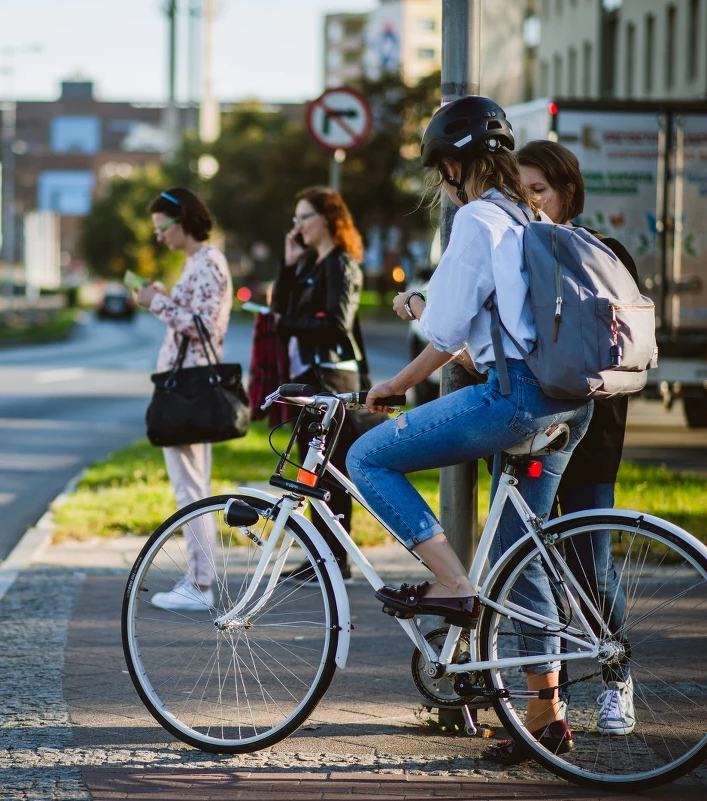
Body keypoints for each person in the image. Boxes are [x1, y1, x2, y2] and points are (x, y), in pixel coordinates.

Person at [344, 96, 593, 759]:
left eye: (439, 171)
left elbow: (444, 328)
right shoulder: (525, 214)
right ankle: (545, 712)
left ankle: (454, 583)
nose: (440, 184)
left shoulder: (478, 217)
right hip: (567, 400)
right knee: (521, 553)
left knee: (369, 456)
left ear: (453, 165)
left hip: (513, 400)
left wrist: (397, 370)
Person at [516, 138, 639, 744]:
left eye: (538, 189)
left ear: (567, 191)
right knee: (531, 565)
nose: (530, 202)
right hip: (530, 433)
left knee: (592, 561)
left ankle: (616, 678)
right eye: (521, 192)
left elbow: (619, 346)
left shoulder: (604, 254)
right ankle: (549, 701)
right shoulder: (517, 252)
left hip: (590, 431)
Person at [136, 187, 234, 612]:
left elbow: (204, 326)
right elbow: (192, 315)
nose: (159, 237)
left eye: (162, 228)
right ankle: (198, 579)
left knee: (190, 489)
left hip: (191, 388)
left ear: (184, 221)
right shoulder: (198, 263)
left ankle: (199, 584)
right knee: (193, 486)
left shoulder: (208, 262)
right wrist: (166, 299)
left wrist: (157, 303)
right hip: (189, 384)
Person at [271, 186, 367, 578]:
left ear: (327, 219)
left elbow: (336, 325)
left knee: (330, 471)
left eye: (303, 218)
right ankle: (321, 558)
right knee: (314, 470)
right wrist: (290, 265)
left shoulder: (342, 264)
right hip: (311, 378)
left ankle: (334, 561)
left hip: (332, 377)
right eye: (295, 219)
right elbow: (282, 310)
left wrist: (288, 323)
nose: (297, 227)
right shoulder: (312, 263)